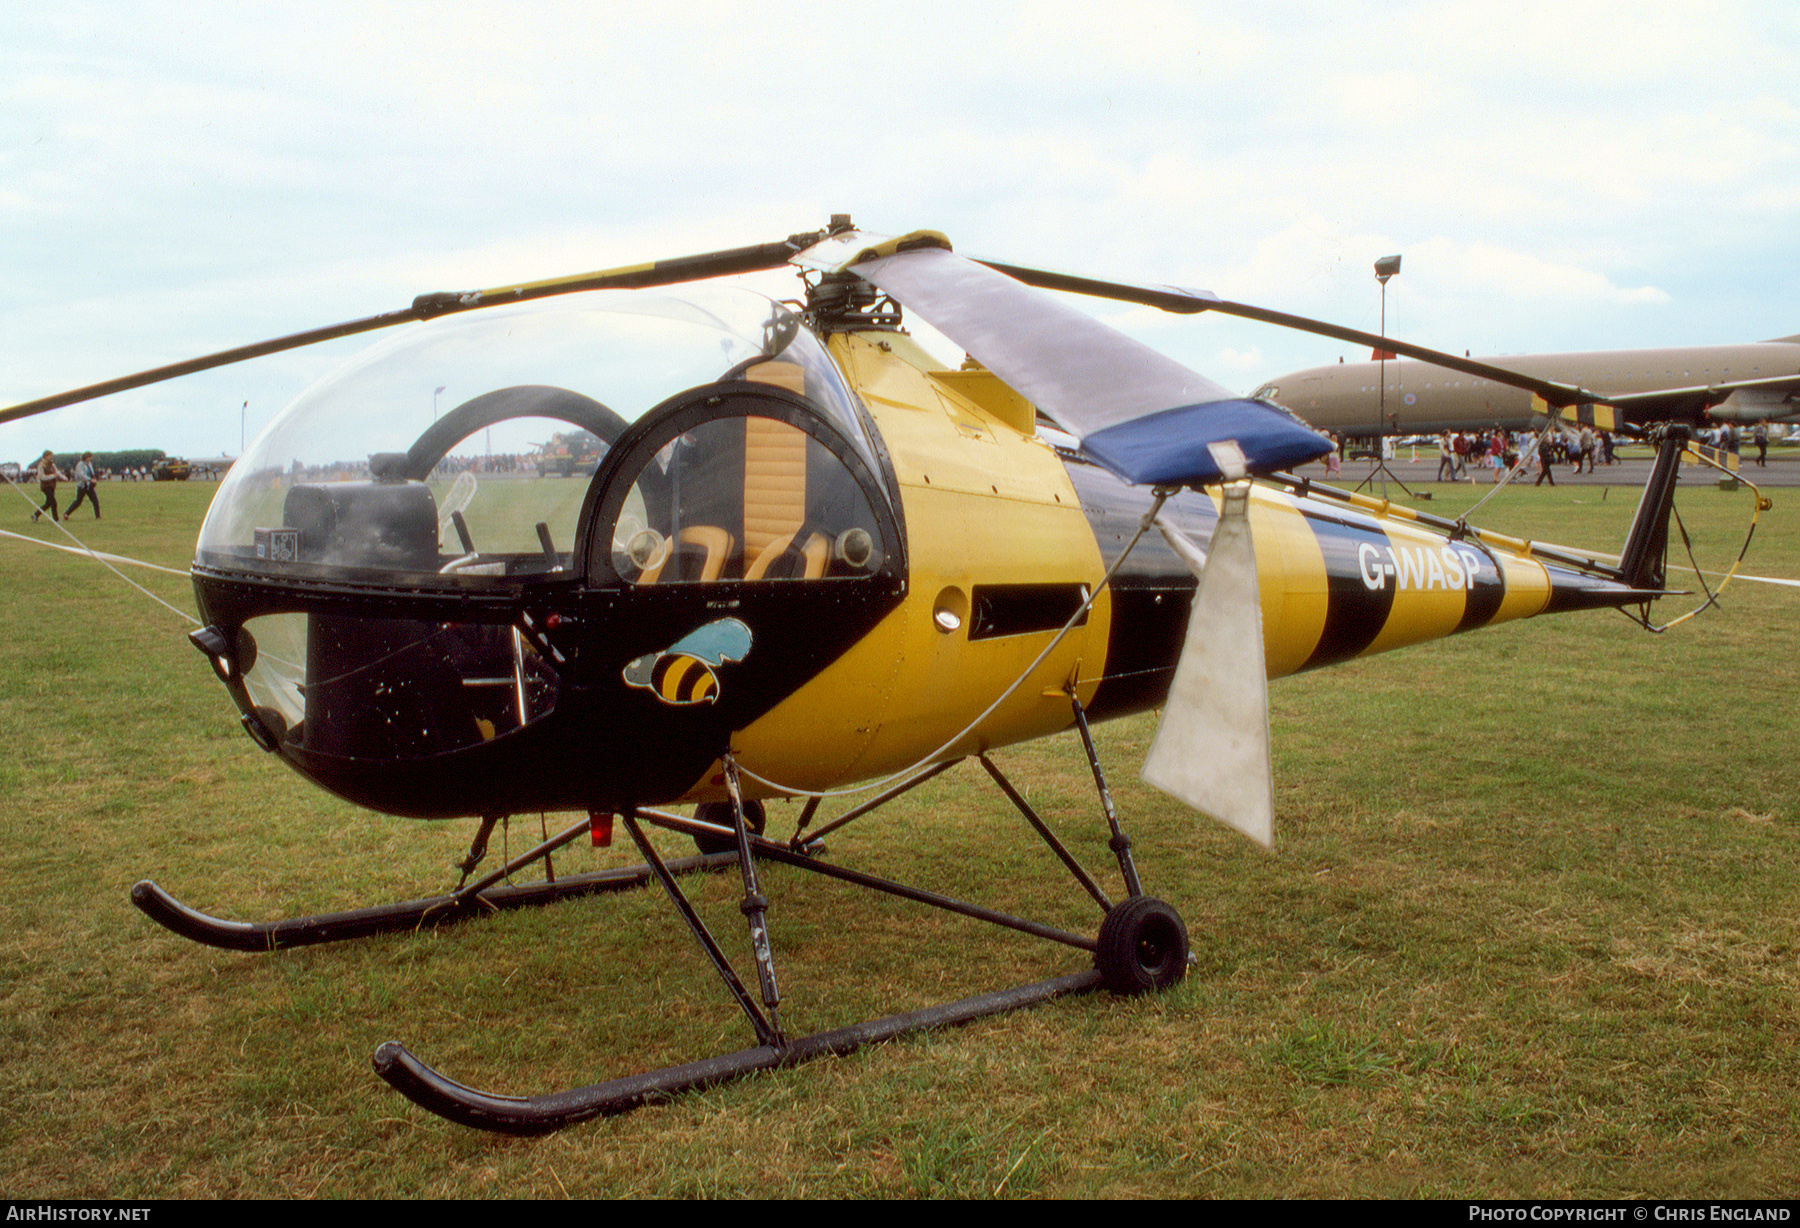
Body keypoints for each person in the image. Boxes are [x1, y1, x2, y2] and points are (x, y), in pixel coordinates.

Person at [27, 450, 67, 522]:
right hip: (45, 486)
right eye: (50, 456)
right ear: (45, 456)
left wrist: (63, 477)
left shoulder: (52, 464)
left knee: (48, 503)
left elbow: (57, 472)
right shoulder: (41, 465)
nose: (51, 457)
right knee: (54, 502)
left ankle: (35, 515)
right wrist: (52, 476)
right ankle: (56, 520)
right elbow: (41, 477)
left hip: (52, 486)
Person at [64, 452, 100, 520]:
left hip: (89, 486)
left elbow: (91, 473)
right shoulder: (80, 465)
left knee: (95, 500)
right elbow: (81, 475)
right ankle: (66, 513)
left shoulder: (89, 464)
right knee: (78, 502)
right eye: (89, 457)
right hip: (82, 486)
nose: (90, 459)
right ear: (85, 457)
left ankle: (98, 516)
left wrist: (93, 478)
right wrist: (90, 479)